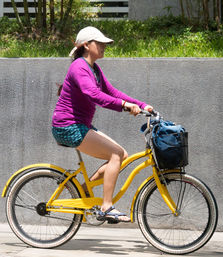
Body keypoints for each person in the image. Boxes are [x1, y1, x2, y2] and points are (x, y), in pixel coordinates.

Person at [52, 26, 153, 223]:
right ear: (86, 45)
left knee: (122, 155)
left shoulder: (94, 69)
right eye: (99, 43)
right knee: (114, 154)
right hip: (67, 126)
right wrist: (125, 105)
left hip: (79, 125)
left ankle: (82, 190)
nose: (104, 46)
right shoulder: (79, 67)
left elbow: (112, 92)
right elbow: (94, 94)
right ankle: (106, 206)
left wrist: (141, 105)